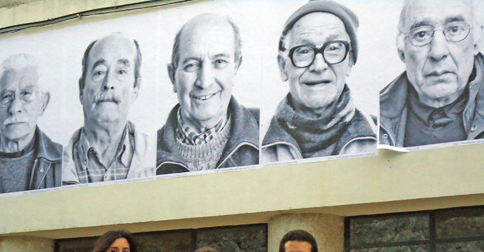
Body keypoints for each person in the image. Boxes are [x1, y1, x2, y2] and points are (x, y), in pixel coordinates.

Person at [262, 0, 377, 163]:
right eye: (303, 51)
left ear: (350, 62)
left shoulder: (382, 137)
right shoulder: (255, 144)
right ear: (282, 66)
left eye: (333, 48)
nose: (318, 66)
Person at [156, 13, 259, 174]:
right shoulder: (146, 155)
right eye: (191, 65)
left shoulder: (266, 133)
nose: (204, 82)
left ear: (236, 68)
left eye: (219, 62)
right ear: (172, 76)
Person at [380, 0, 484, 147]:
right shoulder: (374, 120)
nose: (438, 52)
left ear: (476, 43)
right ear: (402, 51)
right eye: (421, 34)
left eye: (454, 30)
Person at [63, 33, 154, 184]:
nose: (108, 83)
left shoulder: (156, 160)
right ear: (81, 89)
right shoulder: (54, 169)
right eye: (99, 72)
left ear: (135, 88)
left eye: (120, 72)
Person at [0, 53, 62, 194]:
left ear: (43, 104)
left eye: (26, 94)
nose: (14, 108)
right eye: (7, 96)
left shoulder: (67, 162)